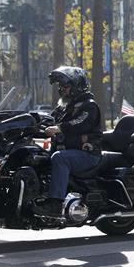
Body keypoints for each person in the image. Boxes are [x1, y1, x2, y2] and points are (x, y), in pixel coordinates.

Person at [31, 67, 103, 217]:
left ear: (77, 86)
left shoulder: (89, 106)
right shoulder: (64, 107)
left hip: (87, 155)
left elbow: (80, 122)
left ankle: (55, 204)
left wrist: (59, 128)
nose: (62, 89)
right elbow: (48, 120)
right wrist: (30, 124)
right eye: (60, 86)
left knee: (60, 158)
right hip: (69, 152)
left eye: (65, 86)